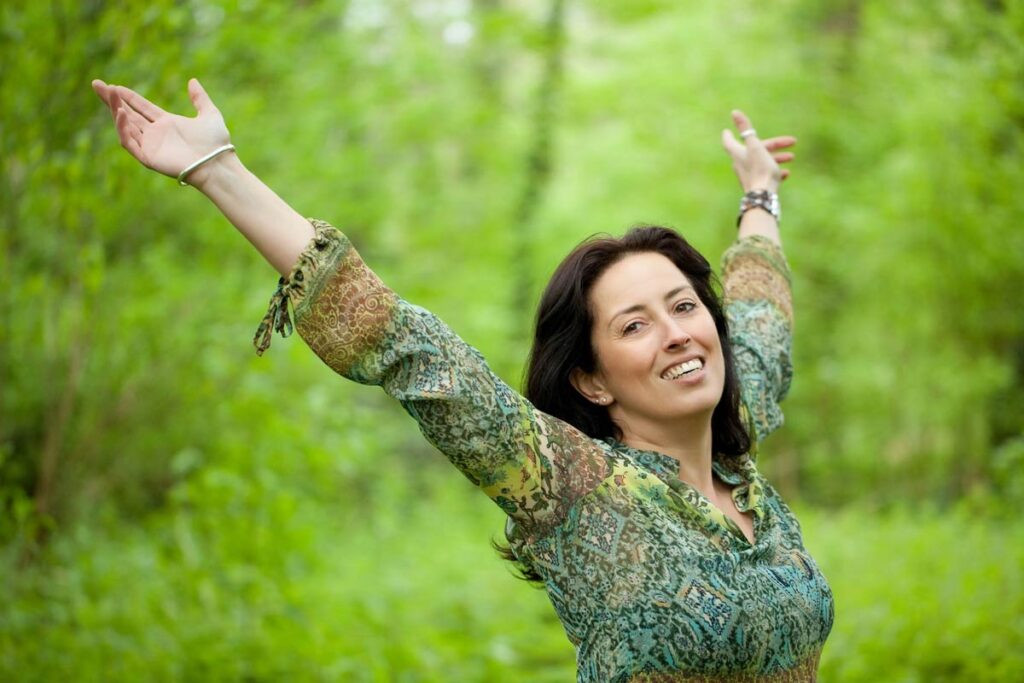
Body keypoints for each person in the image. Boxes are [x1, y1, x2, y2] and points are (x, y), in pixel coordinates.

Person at [92, 76, 834, 682]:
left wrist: (759, 197)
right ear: (593, 379)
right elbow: (413, 348)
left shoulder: (739, 460)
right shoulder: (575, 487)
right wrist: (218, 169)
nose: (677, 331)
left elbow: (761, 320)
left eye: (682, 306)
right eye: (635, 324)